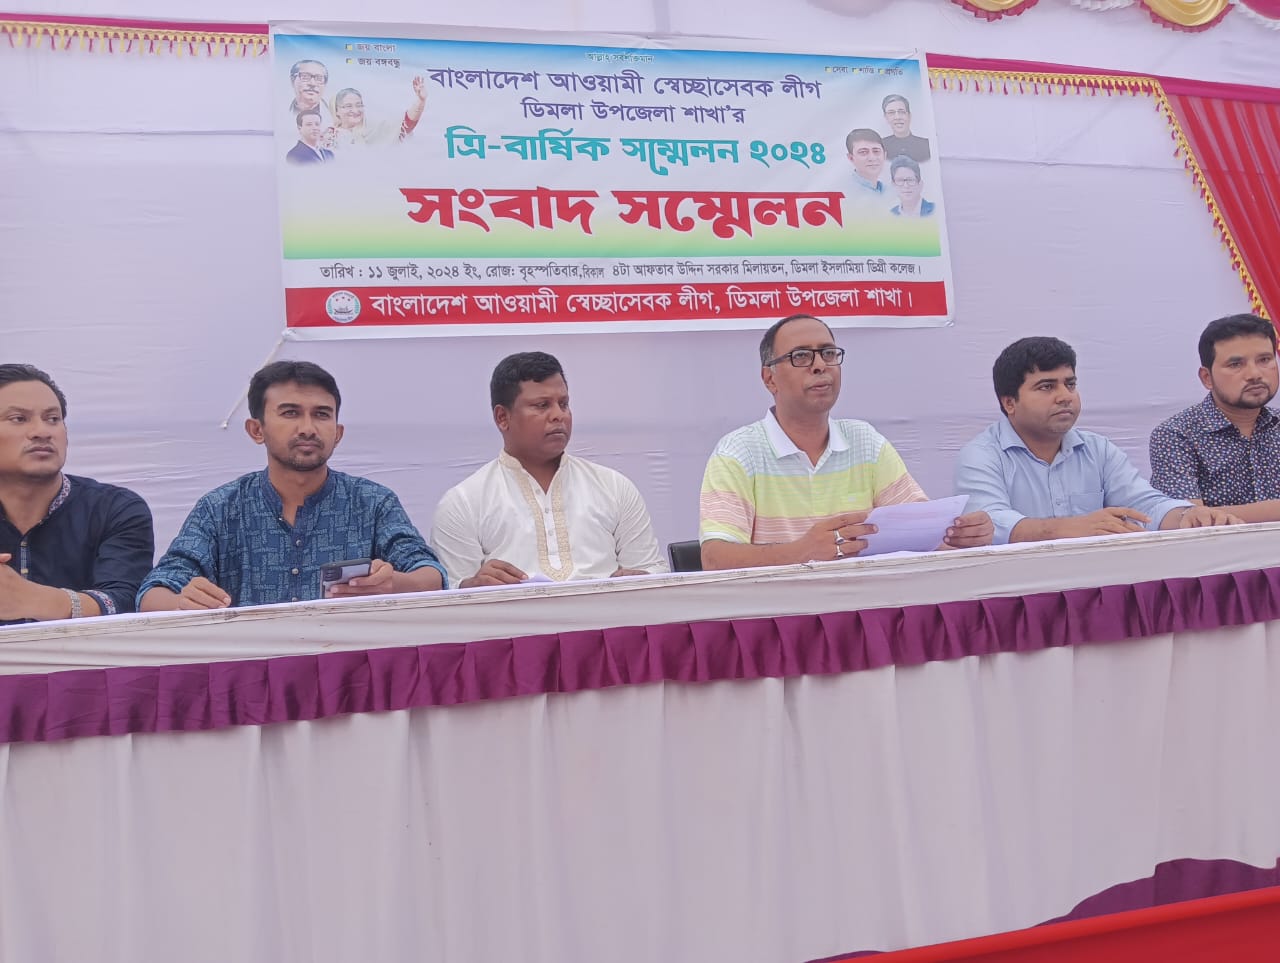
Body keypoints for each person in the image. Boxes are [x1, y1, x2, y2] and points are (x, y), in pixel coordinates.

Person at [138, 361, 445, 610]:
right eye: (290, 413)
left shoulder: (372, 503)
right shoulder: (220, 509)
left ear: (338, 433)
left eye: (321, 415)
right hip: (251, 664)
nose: (308, 429)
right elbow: (153, 593)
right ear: (256, 430)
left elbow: (431, 575)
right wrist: (182, 602)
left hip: (347, 664)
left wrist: (395, 584)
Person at [699, 315, 993, 570]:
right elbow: (714, 558)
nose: (820, 365)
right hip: (780, 612)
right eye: (801, 356)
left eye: (828, 353)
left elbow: (921, 535)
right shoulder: (739, 452)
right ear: (769, 379)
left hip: (865, 606)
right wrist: (800, 552)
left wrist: (961, 536)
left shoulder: (865, 442)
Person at [954, 336, 1240, 544]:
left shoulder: (1097, 449)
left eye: (1070, 384)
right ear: (1009, 403)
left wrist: (1187, 516)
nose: (1065, 396)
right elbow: (989, 523)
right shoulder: (982, 456)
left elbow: (1145, 504)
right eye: (1046, 387)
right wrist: (1067, 528)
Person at [431, 352, 667, 587]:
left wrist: (642, 579)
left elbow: (654, 571)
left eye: (563, 404)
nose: (558, 415)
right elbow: (448, 594)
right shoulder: (463, 502)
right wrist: (472, 586)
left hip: (608, 611)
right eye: (542, 405)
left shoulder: (614, 487)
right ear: (502, 417)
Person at [0, 364, 154, 623]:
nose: (42, 432)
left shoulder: (114, 509)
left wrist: (35, 600)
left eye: (53, 419)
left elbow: (129, 600)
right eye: (19, 419)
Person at [1150, 313, 1280, 521]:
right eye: (1236, 364)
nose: (1254, 374)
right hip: (1219, 544)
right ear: (1207, 378)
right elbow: (1188, 520)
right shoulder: (1176, 435)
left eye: (1264, 360)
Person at [331, 80, 428, 151]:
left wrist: (421, 101)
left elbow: (405, 125)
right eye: (348, 106)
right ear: (337, 110)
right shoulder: (329, 136)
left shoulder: (376, 130)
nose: (355, 110)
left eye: (359, 105)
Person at [880, 95, 931, 163]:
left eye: (901, 112)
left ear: (909, 116)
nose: (897, 117)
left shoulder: (926, 145)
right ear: (886, 118)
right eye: (891, 113)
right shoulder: (880, 146)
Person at [287, 59, 334, 130]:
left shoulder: (334, 116)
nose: (312, 83)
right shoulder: (280, 111)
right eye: (305, 77)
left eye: (319, 78)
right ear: (292, 80)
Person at [844, 128, 889, 201]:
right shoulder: (845, 192)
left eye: (876, 151)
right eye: (863, 152)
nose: (872, 158)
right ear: (851, 158)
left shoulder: (892, 191)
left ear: (885, 155)